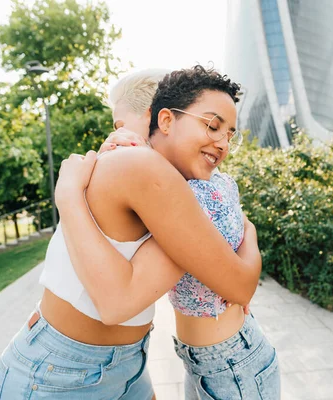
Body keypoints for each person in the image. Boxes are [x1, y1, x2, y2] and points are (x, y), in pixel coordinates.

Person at [0, 67, 263, 400]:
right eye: (210, 125)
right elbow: (117, 303)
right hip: (61, 372)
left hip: (118, 363)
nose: (116, 135)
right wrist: (68, 196)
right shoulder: (137, 165)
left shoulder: (170, 179)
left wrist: (69, 195)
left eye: (119, 124)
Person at [58, 65, 281, 399]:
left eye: (228, 133)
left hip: (234, 362)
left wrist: (251, 239)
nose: (223, 143)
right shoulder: (187, 182)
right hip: (207, 360)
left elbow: (243, 286)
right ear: (164, 120)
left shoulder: (193, 191)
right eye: (212, 126)